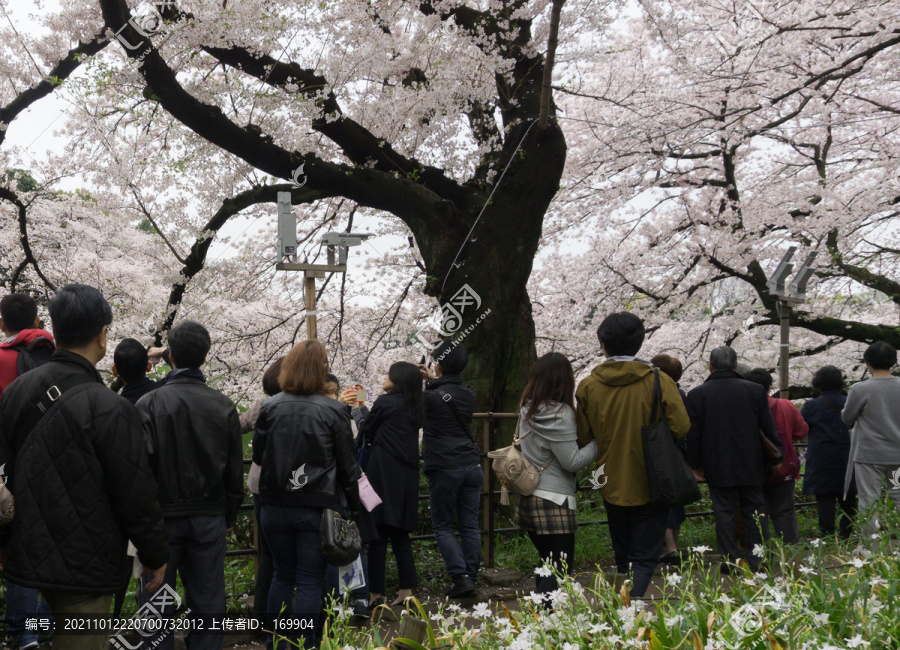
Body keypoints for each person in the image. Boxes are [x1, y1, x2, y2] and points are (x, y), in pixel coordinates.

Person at [0, 284, 169, 650]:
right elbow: (135, 491)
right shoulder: (110, 406)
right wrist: (154, 555)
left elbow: (4, 470)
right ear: (102, 333)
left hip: (27, 546)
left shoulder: (16, 392)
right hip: (85, 560)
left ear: (54, 328)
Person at [136, 320, 243, 650]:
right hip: (209, 516)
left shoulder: (149, 405)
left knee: (155, 602)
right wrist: (229, 513)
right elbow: (234, 471)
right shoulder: (223, 406)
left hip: (161, 519)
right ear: (205, 357)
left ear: (170, 356)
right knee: (208, 601)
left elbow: (139, 472)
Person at [252, 340, 360, 650]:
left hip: (273, 504)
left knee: (282, 577)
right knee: (310, 580)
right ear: (321, 370)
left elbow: (259, 456)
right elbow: (348, 467)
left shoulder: (270, 406)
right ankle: (304, 643)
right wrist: (354, 511)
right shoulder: (335, 410)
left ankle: (279, 643)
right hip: (316, 507)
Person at [576, 312, 690, 597]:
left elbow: (583, 435)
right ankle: (629, 608)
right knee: (645, 555)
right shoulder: (658, 380)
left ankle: (622, 606)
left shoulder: (588, 385)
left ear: (603, 344)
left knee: (622, 552)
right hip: (653, 475)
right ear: (639, 343)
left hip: (609, 477)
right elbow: (681, 427)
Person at [686, 346, 782, 572]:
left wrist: (696, 464)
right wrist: (777, 454)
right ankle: (758, 559)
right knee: (755, 511)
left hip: (716, 460)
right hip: (751, 459)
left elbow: (693, 433)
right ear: (736, 365)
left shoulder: (697, 394)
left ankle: (730, 561)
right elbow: (768, 427)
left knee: (724, 512)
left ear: (710, 365)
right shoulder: (755, 391)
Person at [0, 293, 56, 650]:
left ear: (2, 323)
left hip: (10, 468)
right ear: (37, 322)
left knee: (17, 547)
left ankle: (23, 632)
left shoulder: (2, 359)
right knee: (54, 543)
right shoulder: (56, 359)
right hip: (54, 466)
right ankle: (46, 625)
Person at [516, 352, 597, 597]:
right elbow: (572, 461)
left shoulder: (527, 408)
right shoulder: (561, 414)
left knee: (547, 564)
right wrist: (598, 442)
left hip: (528, 495)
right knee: (560, 567)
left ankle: (540, 620)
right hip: (554, 499)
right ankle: (546, 620)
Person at [352, 362, 423, 608]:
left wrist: (358, 408)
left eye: (388, 374)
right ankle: (406, 590)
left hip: (382, 473)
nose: (384, 377)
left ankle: (375, 595)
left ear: (398, 379)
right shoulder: (416, 405)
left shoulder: (385, 403)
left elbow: (366, 431)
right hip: (407, 474)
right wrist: (362, 403)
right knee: (401, 535)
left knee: (378, 535)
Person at [418, 342, 482, 599]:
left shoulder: (429, 396)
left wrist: (423, 382)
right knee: (470, 526)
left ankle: (460, 577)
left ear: (439, 365)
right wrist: (433, 379)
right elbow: (446, 395)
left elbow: (420, 411)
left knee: (443, 526)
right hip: (471, 464)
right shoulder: (468, 393)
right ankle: (471, 577)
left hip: (444, 466)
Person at [323, 374, 374, 626]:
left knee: (343, 543)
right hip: (340, 486)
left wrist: (359, 402)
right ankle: (353, 600)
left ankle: (352, 601)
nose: (333, 397)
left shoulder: (329, 413)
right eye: (328, 393)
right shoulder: (332, 413)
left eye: (336, 392)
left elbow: (364, 426)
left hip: (335, 487)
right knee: (345, 542)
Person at [842, 341, 900, 545]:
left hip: (870, 457)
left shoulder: (860, 389)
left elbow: (847, 418)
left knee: (869, 501)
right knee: (899, 495)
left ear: (868, 363)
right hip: (897, 456)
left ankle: (871, 548)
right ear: (894, 362)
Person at [240, 358, 284, 624]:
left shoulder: (261, 406)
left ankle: (262, 617)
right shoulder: (303, 405)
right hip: (294, 486)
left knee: (267, 552)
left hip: (261, 485)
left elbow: (235, 426)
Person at [744, 368, 809, 545]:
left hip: (752, 466)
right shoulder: (785, 405)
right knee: (785, 511)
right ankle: (790, 554)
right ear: (769, 386)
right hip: (783, 465)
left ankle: (763, 556)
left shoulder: (742, 408)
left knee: (757, 513)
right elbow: (802, 430)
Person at [801, 365, 857, 538]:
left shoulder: (811, 406)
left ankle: (827, 535)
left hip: (821, 456)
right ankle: (846, 533)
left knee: (824, 496)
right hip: (848, 454)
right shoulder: (850, 402)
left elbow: (801, 429)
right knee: (848, 493)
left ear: (818, 383)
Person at [650, 353, 689, 565]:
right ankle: (674, 544)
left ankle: (670, 547)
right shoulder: (681, 393)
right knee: (676, 500)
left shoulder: (657, 392)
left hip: (659, 451)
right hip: (678, 452)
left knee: (662, 499)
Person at [113, 337, 162, 405]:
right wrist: (163, 352)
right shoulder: (167, 389)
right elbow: (180, 369)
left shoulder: (117, 408)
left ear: (115, 370)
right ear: (149, 366)